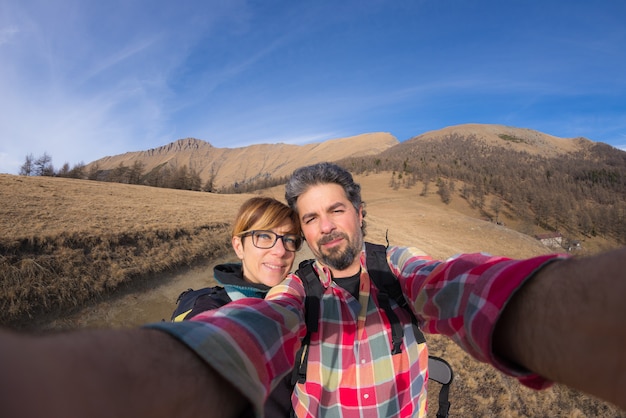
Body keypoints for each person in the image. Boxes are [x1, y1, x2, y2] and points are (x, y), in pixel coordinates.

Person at [1, 163, 626, 417]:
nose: (324, 227)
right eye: (308, 218)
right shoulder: (296, 290)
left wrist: (551, 310)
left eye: (335, 210)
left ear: (358, 211)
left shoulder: (397, 266)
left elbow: (457, 287)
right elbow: (248, 333)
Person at [172, 196, 303, 416]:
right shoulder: (212, 310)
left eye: (289, 239)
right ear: (238, 246)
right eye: (264, 236)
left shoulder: (301, 303)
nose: (281, 251)